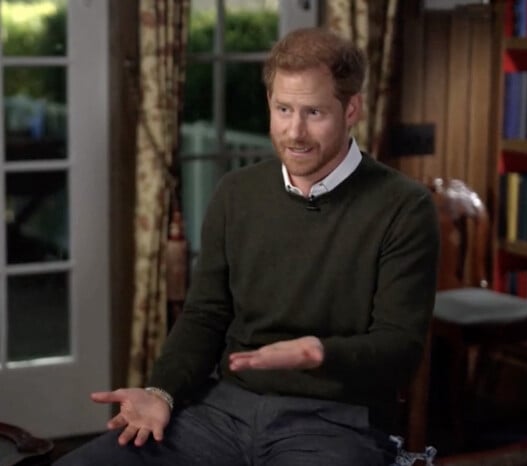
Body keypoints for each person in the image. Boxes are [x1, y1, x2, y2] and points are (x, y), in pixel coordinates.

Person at [55, 26, 439, 466]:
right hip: (223, 411)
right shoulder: (236, 193)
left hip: (335, 422)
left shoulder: (404, 207)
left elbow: (400, 349)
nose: (295, 132)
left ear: (352, 108)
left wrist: (318, 353)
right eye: (283, 109)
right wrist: (162, 391)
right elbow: (205, 314)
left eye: (314, 112)